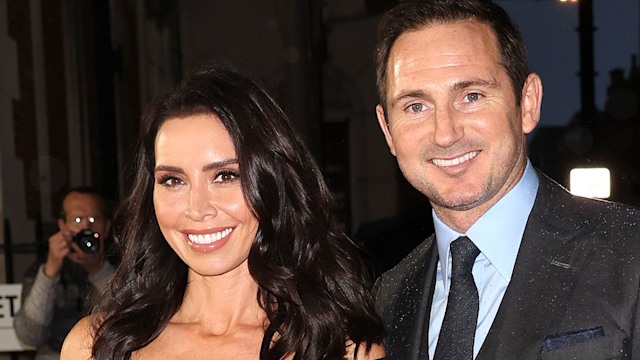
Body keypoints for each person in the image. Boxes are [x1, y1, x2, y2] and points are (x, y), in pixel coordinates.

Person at [372, 0, 640, 359]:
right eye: (416, 106)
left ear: (527, 103)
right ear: (387, 130)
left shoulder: (629, 254)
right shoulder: (384, 300)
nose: (445, 134)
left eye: (471, 96)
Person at [61, 65, 385, 360]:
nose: (197, 209)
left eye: (226, 176)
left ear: (272, 184)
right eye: (173, 180)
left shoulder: (342, 350)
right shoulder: (95, 346)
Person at [13, 187, 114, 360]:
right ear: (62, 225)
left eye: (93, 219)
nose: (85, 226)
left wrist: (99, 270)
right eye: (77, 219)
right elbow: (29, 335)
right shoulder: (41, 268)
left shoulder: (121, 264)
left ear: (106, 227)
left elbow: (131, 319)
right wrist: (50, 272)